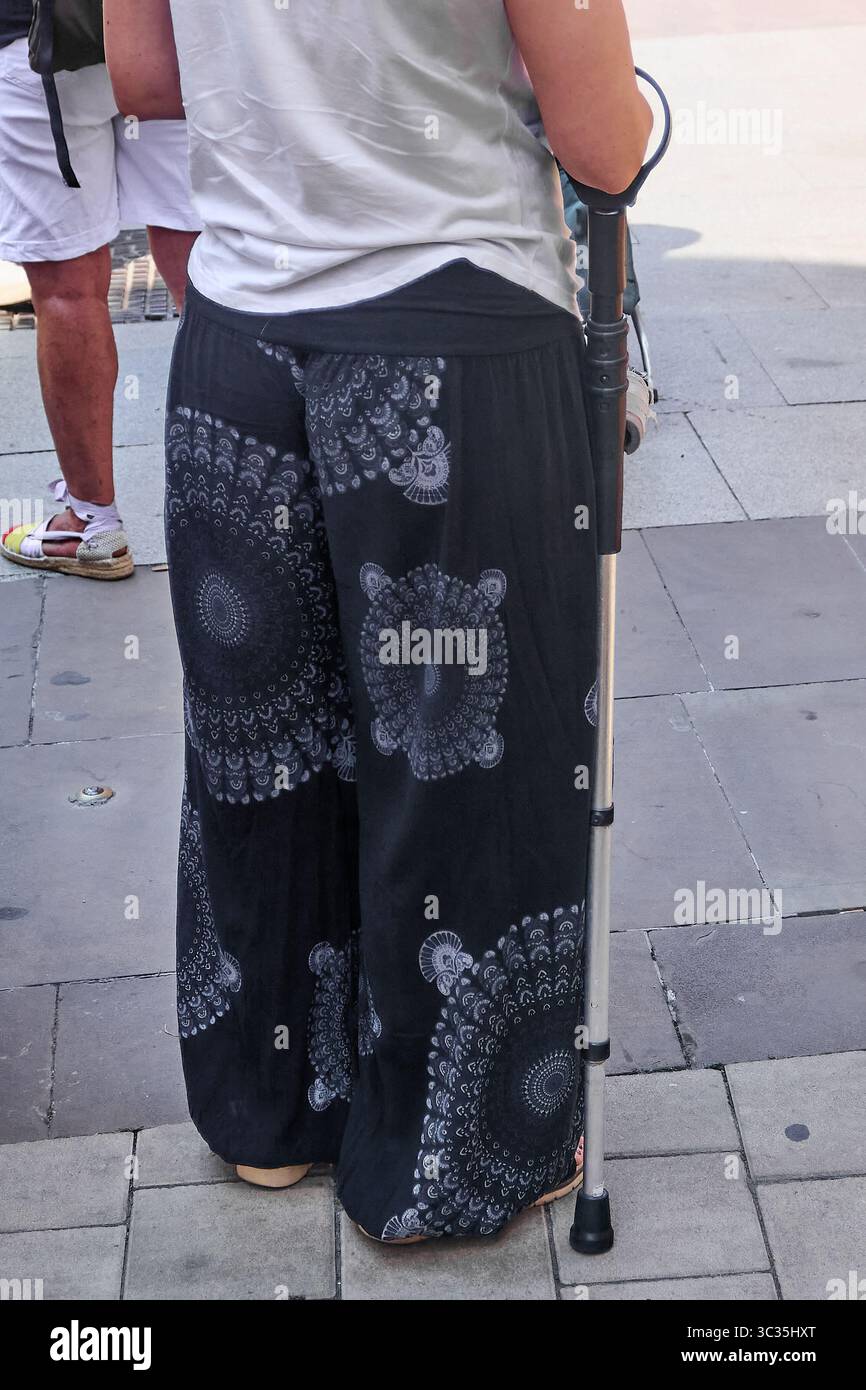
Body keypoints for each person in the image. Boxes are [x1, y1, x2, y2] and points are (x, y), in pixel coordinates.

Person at [106, 0, 651, 1243]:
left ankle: (274, 1112)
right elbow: (603, 144)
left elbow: (143, 72)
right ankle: (446, 1159)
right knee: (459, 763)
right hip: (445, 340)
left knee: (266, 754)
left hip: (242, 336)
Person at [0, 0, 200, 578]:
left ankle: (91, 523)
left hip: (39, 42)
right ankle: (246, 503)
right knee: (201, 267)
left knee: (69, 289)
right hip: (169, 29)